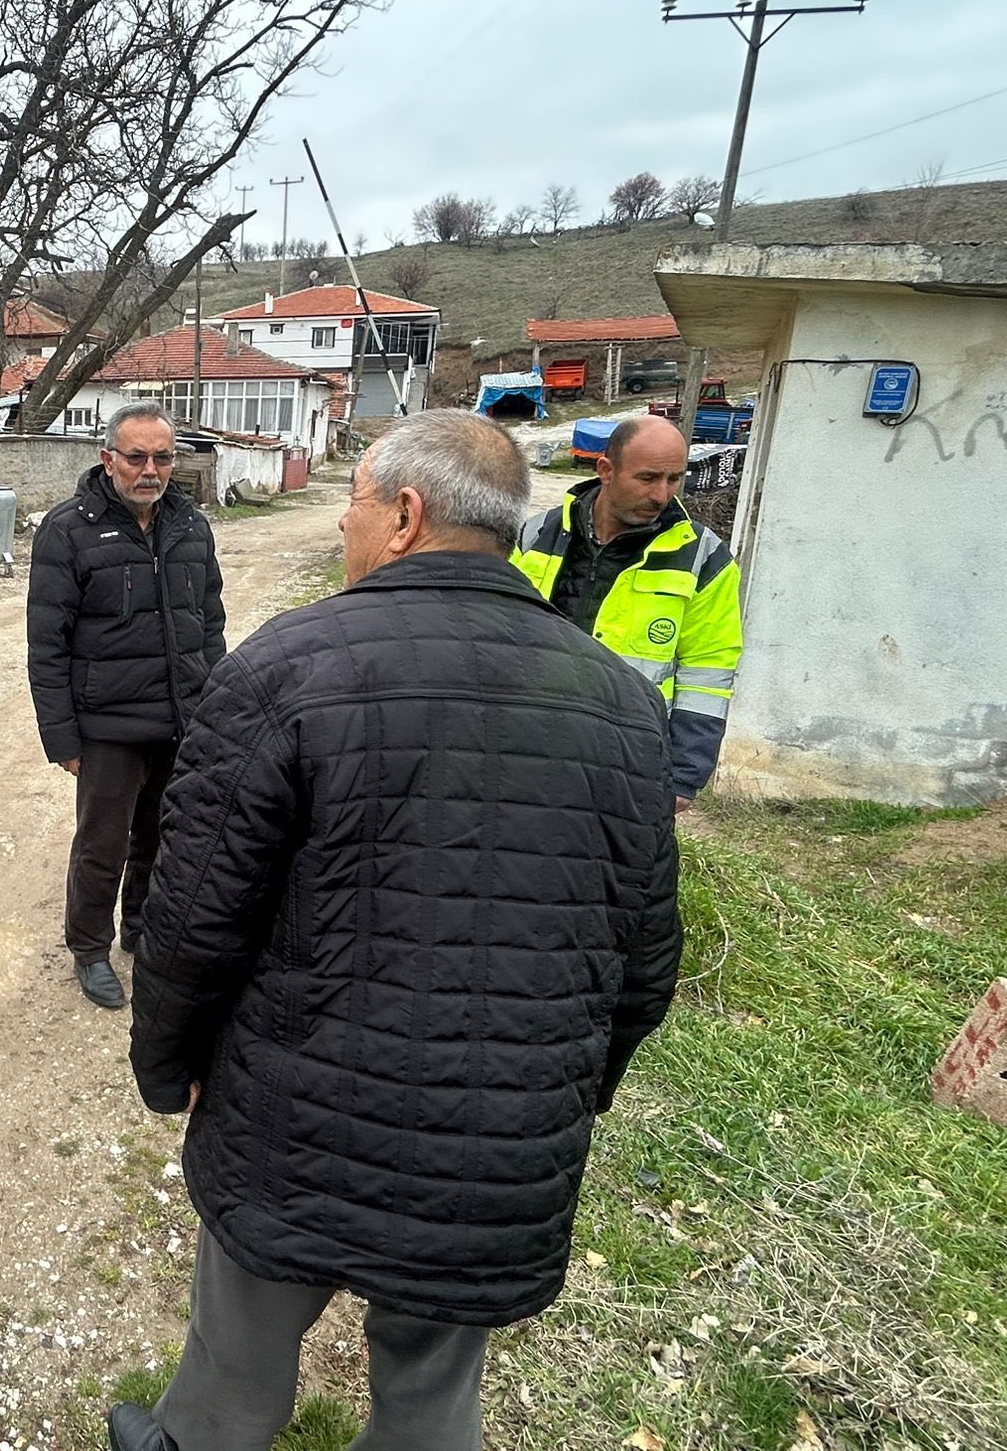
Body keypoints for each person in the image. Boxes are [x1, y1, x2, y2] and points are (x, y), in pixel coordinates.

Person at [112, 410, 683, 1451]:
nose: (342, 529)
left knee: (234, 1369)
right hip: (501, 1131)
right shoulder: (618, 703)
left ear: (406, 516)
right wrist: (564, 1091)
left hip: (293, 1114)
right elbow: (645, 956)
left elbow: (193, 916)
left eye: (354, 508)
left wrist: (168, 1066)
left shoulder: (282, 668)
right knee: (429, 1400)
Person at [26, 403, 225, 1011]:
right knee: (102, 846)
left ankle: (141, 927)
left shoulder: (191, 525)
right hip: (107, 727)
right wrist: (62, 739)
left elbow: (209, 624)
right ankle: (89, 948)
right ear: (107, 458)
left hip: (179, 720)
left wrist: (213, 709)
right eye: (135, 456)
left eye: (162, 457)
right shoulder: (68, 530)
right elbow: (46, 644)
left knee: (163, 837)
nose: (150, 470)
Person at [512, 413, 743, 808]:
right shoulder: (536, 534)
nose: (662, 495)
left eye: (674, 479)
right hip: (528, 745)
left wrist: (685, 775)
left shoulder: (702, 557)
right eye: (649, 478)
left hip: (630, 761)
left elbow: (708, 670)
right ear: (606, 470)